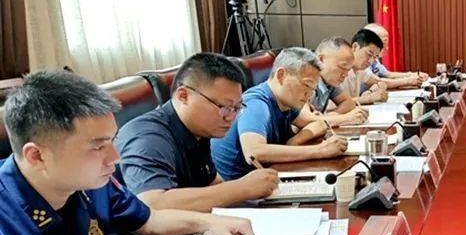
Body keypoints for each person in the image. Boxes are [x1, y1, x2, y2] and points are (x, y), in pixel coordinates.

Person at [0, 71, 255, 235]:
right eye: (97, 147)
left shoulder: (91, 182)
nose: (115, 158)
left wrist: (206, 223)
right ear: (37, 156)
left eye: (111, 141)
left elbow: (146, 220)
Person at [116, 53, 279, 212]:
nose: (231, 117)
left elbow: (212, 184)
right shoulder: (147, 137)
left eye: (237, 108)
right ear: (183, 96)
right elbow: (153, 203)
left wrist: (262, 200)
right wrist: (241, 188)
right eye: (224, 107)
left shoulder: (200, 131)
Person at [211, 47, 348, 181]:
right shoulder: (257, 103)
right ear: (281, 75)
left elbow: (318, 123)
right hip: (237, 188)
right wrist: (320, 150)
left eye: (313, 89)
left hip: (267, 178)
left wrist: (295, 141)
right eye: (306, 85)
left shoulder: (286, 102)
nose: (310, 95)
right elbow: (254, 152)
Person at [308, 37, 369, 126]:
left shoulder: (329, 82)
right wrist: (345, 118)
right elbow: (305, 120)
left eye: (348, 70)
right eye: (342, 67)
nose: (345, 75)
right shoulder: (306, 80)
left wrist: (329, 117)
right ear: (321, 59)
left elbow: (349, 103)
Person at [362, 23, 428, 90]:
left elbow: (387, 74)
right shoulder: (361, 60)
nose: (387, 48)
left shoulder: (374, 58)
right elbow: (377, 81)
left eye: (387, 44)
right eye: (384, 43)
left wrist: (412, 75)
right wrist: (408, 81)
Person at [342, 28, 390, 105]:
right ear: (355, 47)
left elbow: (380, 82)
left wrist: (370, 92)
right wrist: (367, 98)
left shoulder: (361, 69)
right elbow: (332, 105)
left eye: (374, 57)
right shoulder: (339, 69)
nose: (371, 61)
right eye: (369, 54)